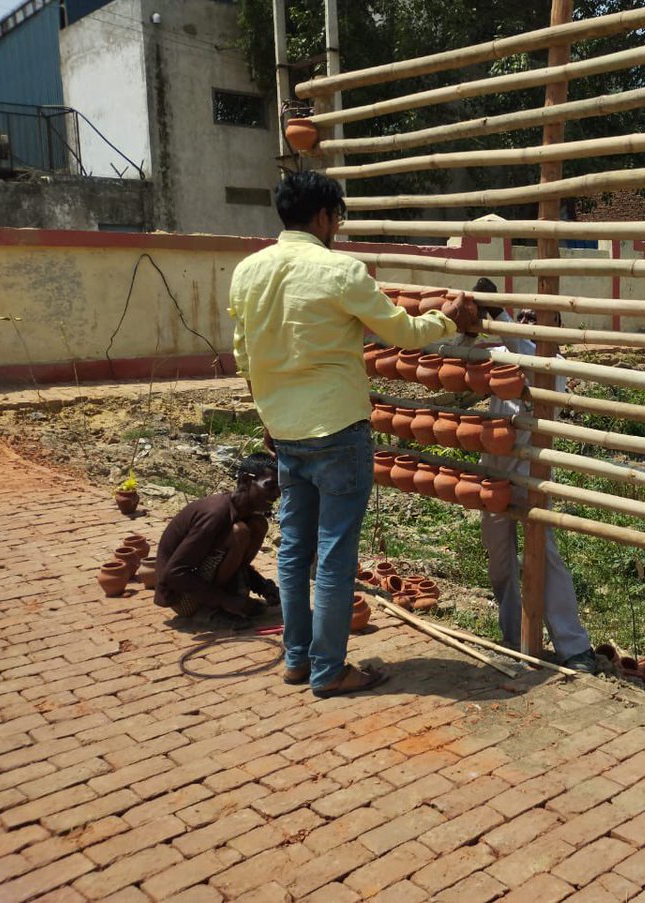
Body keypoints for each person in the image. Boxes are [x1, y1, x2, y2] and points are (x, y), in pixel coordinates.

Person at [229, 170, 479, 698]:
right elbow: (404, 333)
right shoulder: (341, 271)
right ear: (323, 216)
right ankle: (328, 670)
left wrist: (267, 417)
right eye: (337, 217)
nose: (337, 227)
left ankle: (298, 659)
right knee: (335, 554)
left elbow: (243, 355)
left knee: (294, 550)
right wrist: (449, 319)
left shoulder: (246, 273)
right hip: (338, 432)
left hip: (286, 433)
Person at [468, 278, 597, 673]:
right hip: (494, 472)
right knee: (500, 559)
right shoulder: (506, 350)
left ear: (554, 327)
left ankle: (573, 646)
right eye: (524, 316)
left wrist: (501, 314)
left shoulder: (554, 367)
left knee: (545, 558)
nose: (527, 323)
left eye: (536, 318)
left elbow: (527, 350)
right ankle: (514, 637)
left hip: (530, 473)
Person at [154, 453, 282, 620]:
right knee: (239, 532)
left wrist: (262, 586)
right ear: (245, 480)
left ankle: (231, 595)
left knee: (258, 525)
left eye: (279, 487)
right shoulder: (216, 513)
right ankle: (212, 610)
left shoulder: (244, 513)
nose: (277, 494)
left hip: (200, 584)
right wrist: (226, 601)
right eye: (270, 486)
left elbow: (234, 562)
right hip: (180, 596)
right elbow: (174, 574)